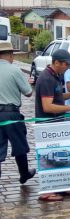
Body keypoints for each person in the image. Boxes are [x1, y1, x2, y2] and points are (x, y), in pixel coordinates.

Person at [35, 49, 70, 201]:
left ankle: (62, 186)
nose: (68, 67)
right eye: (66, 64)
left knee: (60, 155)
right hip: (48, 124)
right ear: (56, 63)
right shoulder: (47, 78)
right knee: (48, 157)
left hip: (57, 123)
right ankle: (47, 191)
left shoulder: (56, 76)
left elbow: (56, 97)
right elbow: (48, 106)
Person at [0, 42, 35, 184]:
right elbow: (28, 92)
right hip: (11, 113)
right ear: (10, 55)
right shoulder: (15, 70)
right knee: (19, 144)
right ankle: (24, 173)